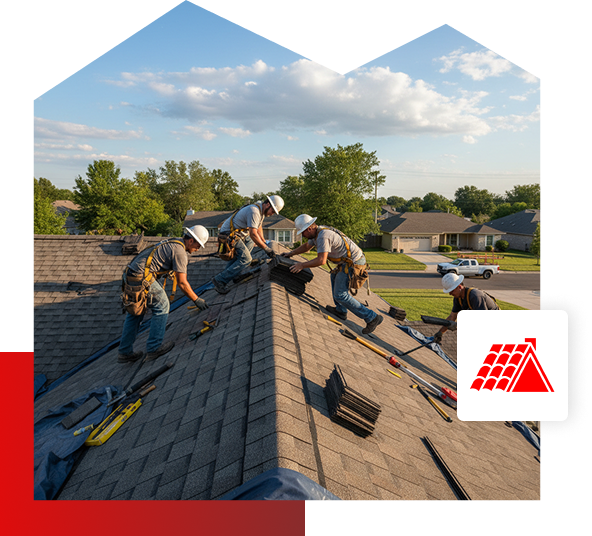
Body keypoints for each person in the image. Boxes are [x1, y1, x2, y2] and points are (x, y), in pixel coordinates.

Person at [118, 225, 210, 363]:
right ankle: (154, 348)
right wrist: (197, 300)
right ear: (191, 240)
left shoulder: (174, 243)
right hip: (141, 277)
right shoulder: (180, 252)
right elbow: (183, 283)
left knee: (136, 313)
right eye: (198, 245)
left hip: (130, 275)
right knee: (162, 307)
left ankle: (125, 352)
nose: (198, 249)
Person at [284, 214, 383, 335]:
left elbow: (321, 260)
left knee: (340, 294)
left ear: (309, 228)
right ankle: (341, 311)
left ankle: (372, 317)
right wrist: (291, 253)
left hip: (354, 262)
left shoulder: (323, 236)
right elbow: (307, 247)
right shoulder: (317, 232)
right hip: (346, 261)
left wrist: (301, 265)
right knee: (334, 276)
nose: (303, 236)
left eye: (303, 232)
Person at [212, 195, 284, 294]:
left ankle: (235, 273)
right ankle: (220, 280)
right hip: (228, 234)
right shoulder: (254, 211)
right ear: (268, 204)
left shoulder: (260, 210)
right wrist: (266, 249)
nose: (272, 214)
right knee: (246, 259)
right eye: (273, 211)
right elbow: (253, 233)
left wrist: (262, 241)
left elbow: (258, 227)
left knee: (250, 241)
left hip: (237, 234)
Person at [433, 272, 499, 342]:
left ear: (459, 287)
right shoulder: (458, 298)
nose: (450, 294)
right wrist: (440, 332)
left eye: (452, 291)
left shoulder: (475, 296)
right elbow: (452, 317)